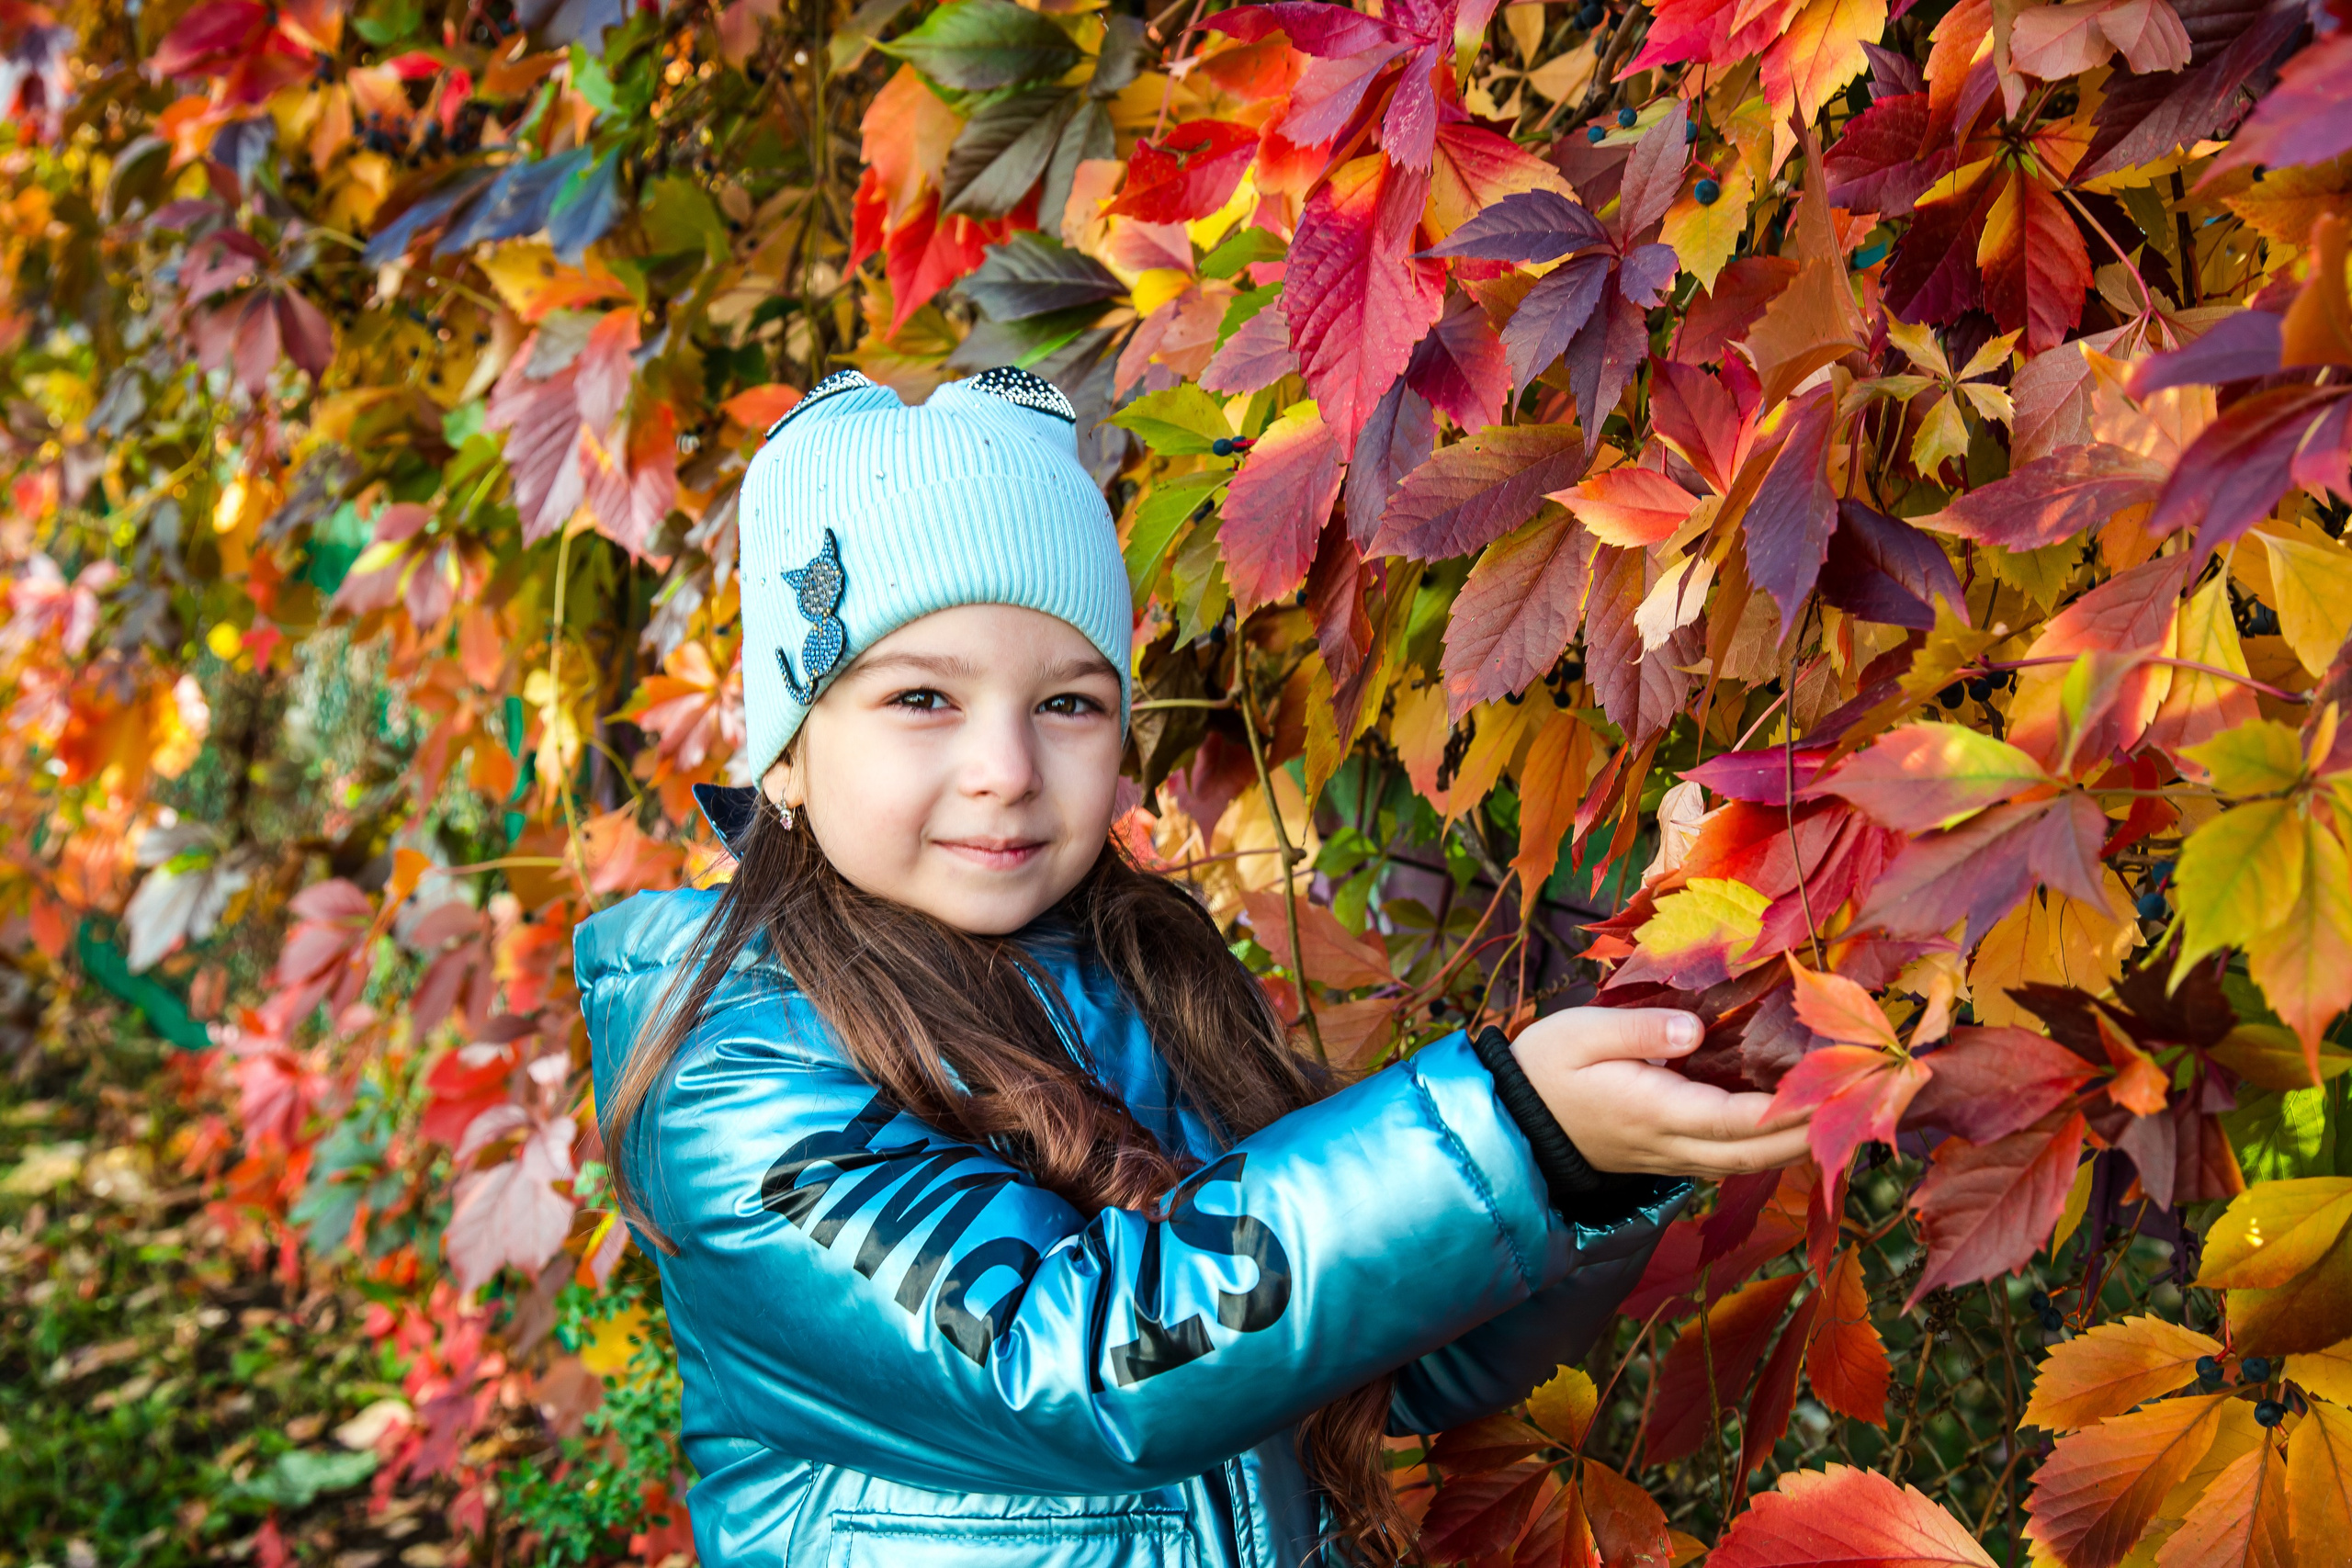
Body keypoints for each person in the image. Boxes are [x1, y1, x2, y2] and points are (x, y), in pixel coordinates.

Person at [578, 367, 1811, 1568]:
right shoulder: (730, 1073)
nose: (1007, 769)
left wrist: (1574, 1169)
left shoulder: (1148, 982)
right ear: (785, 756)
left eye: (1068, 704)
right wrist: (1502, 1137)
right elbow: (1066, 1364)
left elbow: (1386, 1357)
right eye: (921, 700)